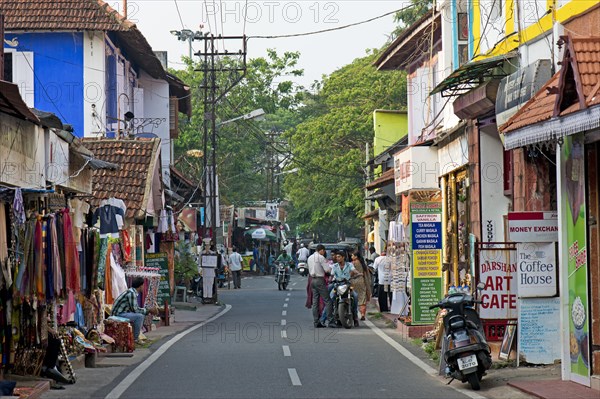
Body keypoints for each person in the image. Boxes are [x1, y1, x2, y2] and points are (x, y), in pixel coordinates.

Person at [111, 277, 158, 343]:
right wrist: (148, 310)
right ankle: (135, 339)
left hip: (121, 313)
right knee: (139, 316)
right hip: (118, 315)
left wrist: (147, 310)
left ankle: (134, 336)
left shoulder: (131, 292)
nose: (144, 287)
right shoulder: (131, 293)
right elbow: (135, 310)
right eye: (143, 285)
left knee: (139, 315)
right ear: (140, 286)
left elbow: (134, 308)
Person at [330, 250, 361, 326]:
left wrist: (358, 273)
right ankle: (333, 315)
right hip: (337, 285)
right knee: (331, 296)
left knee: (355, 297)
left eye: (339, 257)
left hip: (347, 284)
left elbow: (354, 270)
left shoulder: (349, 264)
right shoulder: (334, 266)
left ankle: (355, 317)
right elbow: (332, 274)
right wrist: (331, 279)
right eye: (337, 257)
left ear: (343, 257)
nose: (337, 258)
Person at [307, 244, 334, 328]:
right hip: (320, 280)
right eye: (324, 251)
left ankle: (316, 321)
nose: (324, 252)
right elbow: (327, 269)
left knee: (315, 302)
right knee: (328, 300)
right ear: (321, 250)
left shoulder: (310, 257)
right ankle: (330, 321)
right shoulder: (321, 257)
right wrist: (330, 273)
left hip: (312, 280)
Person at [350, 250, 372, 321]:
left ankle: (354, 314)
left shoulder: (352, 264)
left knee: (354, 298)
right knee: (362, 298)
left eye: (352, 255)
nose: (351, 256)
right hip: (362, 281)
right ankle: (362, 314)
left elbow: (351, 273)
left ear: (356, 256)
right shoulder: (363, 263)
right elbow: (367, 274)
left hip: (353, 282)